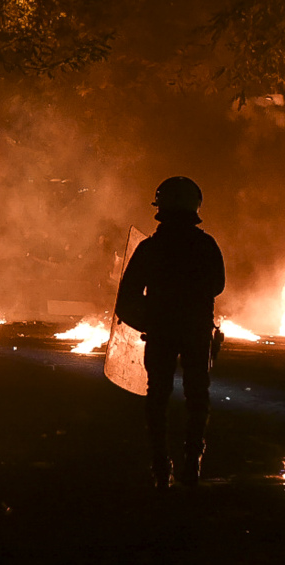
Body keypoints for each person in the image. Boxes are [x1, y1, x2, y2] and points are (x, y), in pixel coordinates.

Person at [116, 176, 225, 490]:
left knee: (157, 395)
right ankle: (192, 461)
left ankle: (160, 463)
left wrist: (150, 320)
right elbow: (217, 285)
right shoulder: (206, 245)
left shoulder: (150, 248)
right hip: (195, 331)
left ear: (160, 207)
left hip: (161, 331)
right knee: (197, 396)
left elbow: (127, 297)